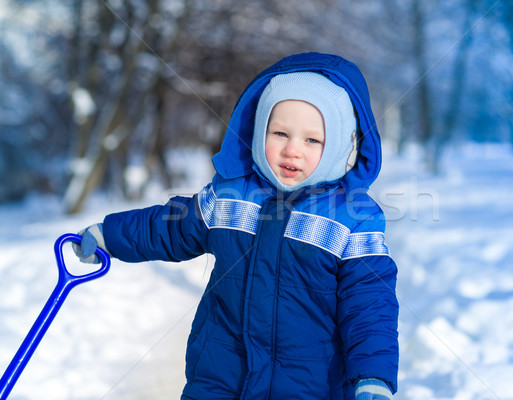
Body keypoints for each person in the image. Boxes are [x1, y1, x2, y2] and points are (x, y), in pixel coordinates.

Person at [74, 52, 399, 400]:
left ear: (342, 148)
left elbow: (369, 302)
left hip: (309, 385)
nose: (292, 150)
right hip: (220, 376)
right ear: (259, 132)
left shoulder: (353, 217)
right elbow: (169, 228)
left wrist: (372, 377)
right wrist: (108, 235)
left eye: (312, 140)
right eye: (280, 133)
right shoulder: (229, 196)